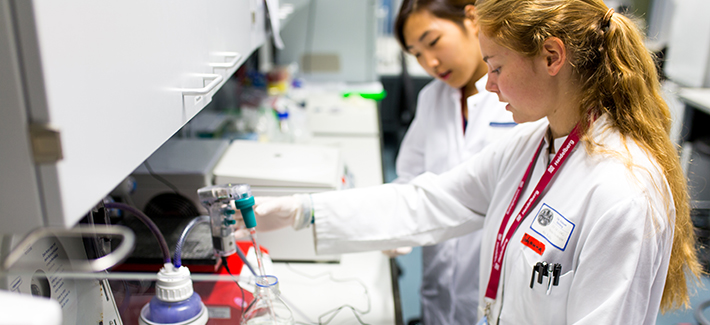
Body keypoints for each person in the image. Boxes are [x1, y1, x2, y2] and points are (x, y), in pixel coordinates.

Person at [253, 0, 702, 323]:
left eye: (498, 67)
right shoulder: (530, 145)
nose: (488, 85)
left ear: (552, 56)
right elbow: (427, 201)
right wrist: (298, 211)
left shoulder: (623, 190)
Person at [385, 0, 514, 323]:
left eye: (432, 42)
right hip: (439, 287)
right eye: (416, 53)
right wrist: (396, 226)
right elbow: (410, 178)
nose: (429, 61)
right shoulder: (432, 99)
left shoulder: (518, 98)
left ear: (471, 19)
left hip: (499, 289)